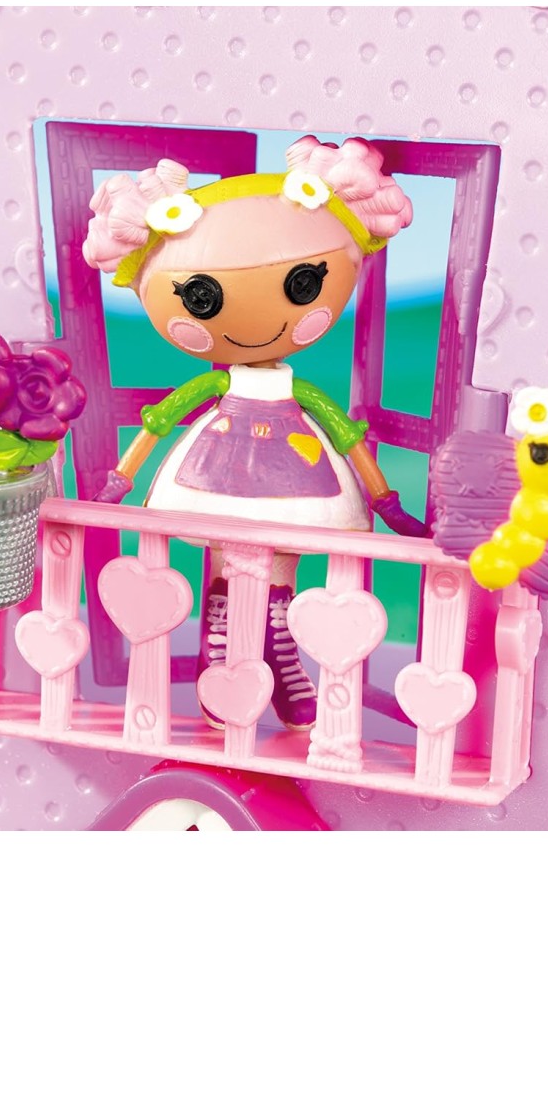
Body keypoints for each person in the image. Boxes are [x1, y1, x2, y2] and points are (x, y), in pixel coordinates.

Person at [82, 136, 424, 730]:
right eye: (201, 299)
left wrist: (385, 500)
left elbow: (346, 436)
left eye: (302, 285)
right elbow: (159, 421)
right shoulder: (217, 386)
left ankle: (280, 651)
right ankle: (221, 647)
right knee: (226, 555)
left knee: (282, 562)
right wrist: (119, 481)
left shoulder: (302, 394)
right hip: (217, 470)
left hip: (299, 474)